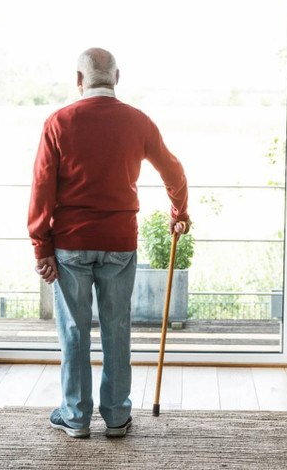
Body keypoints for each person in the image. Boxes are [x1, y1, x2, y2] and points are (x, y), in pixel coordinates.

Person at [28, 47, 190, 439]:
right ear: (117, 78)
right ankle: (117, 416)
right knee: (117, 329)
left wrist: (41, 246)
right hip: (120, 243)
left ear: (79, 81)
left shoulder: (59, 122)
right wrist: (179, 212)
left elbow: (41, 189)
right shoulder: (138, 122)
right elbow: (174, 171)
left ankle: (76, 417)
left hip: (70, 245)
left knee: (75, 332)